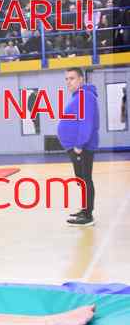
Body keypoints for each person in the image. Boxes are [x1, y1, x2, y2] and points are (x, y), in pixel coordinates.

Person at [57, 68, 99, 227]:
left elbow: (86, 122)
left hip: (82, 147)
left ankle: (88, 216)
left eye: (72, 78)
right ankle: (85, 209)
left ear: (81, 79)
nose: (68, 82)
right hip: (78, 146)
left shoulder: (85, 96)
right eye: (66, 79)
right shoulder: (78, 96)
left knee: (85, 179)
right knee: (81, 179)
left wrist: (79, 145)